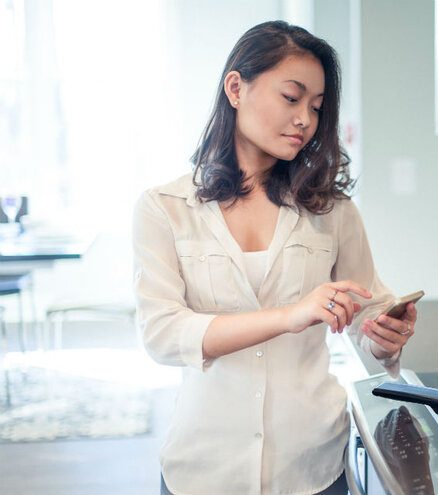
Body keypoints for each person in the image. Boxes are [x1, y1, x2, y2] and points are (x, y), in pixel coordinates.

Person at [133, 21, 417, 495]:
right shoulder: (164, 209)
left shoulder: (332, 210)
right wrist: (288, 316)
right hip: (204, 467)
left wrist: (387, 336)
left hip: (312, 466)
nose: (305, 118)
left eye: (317, 107)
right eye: (291, 97)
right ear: (236, 88)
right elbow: (162, 334)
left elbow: (368, 310)